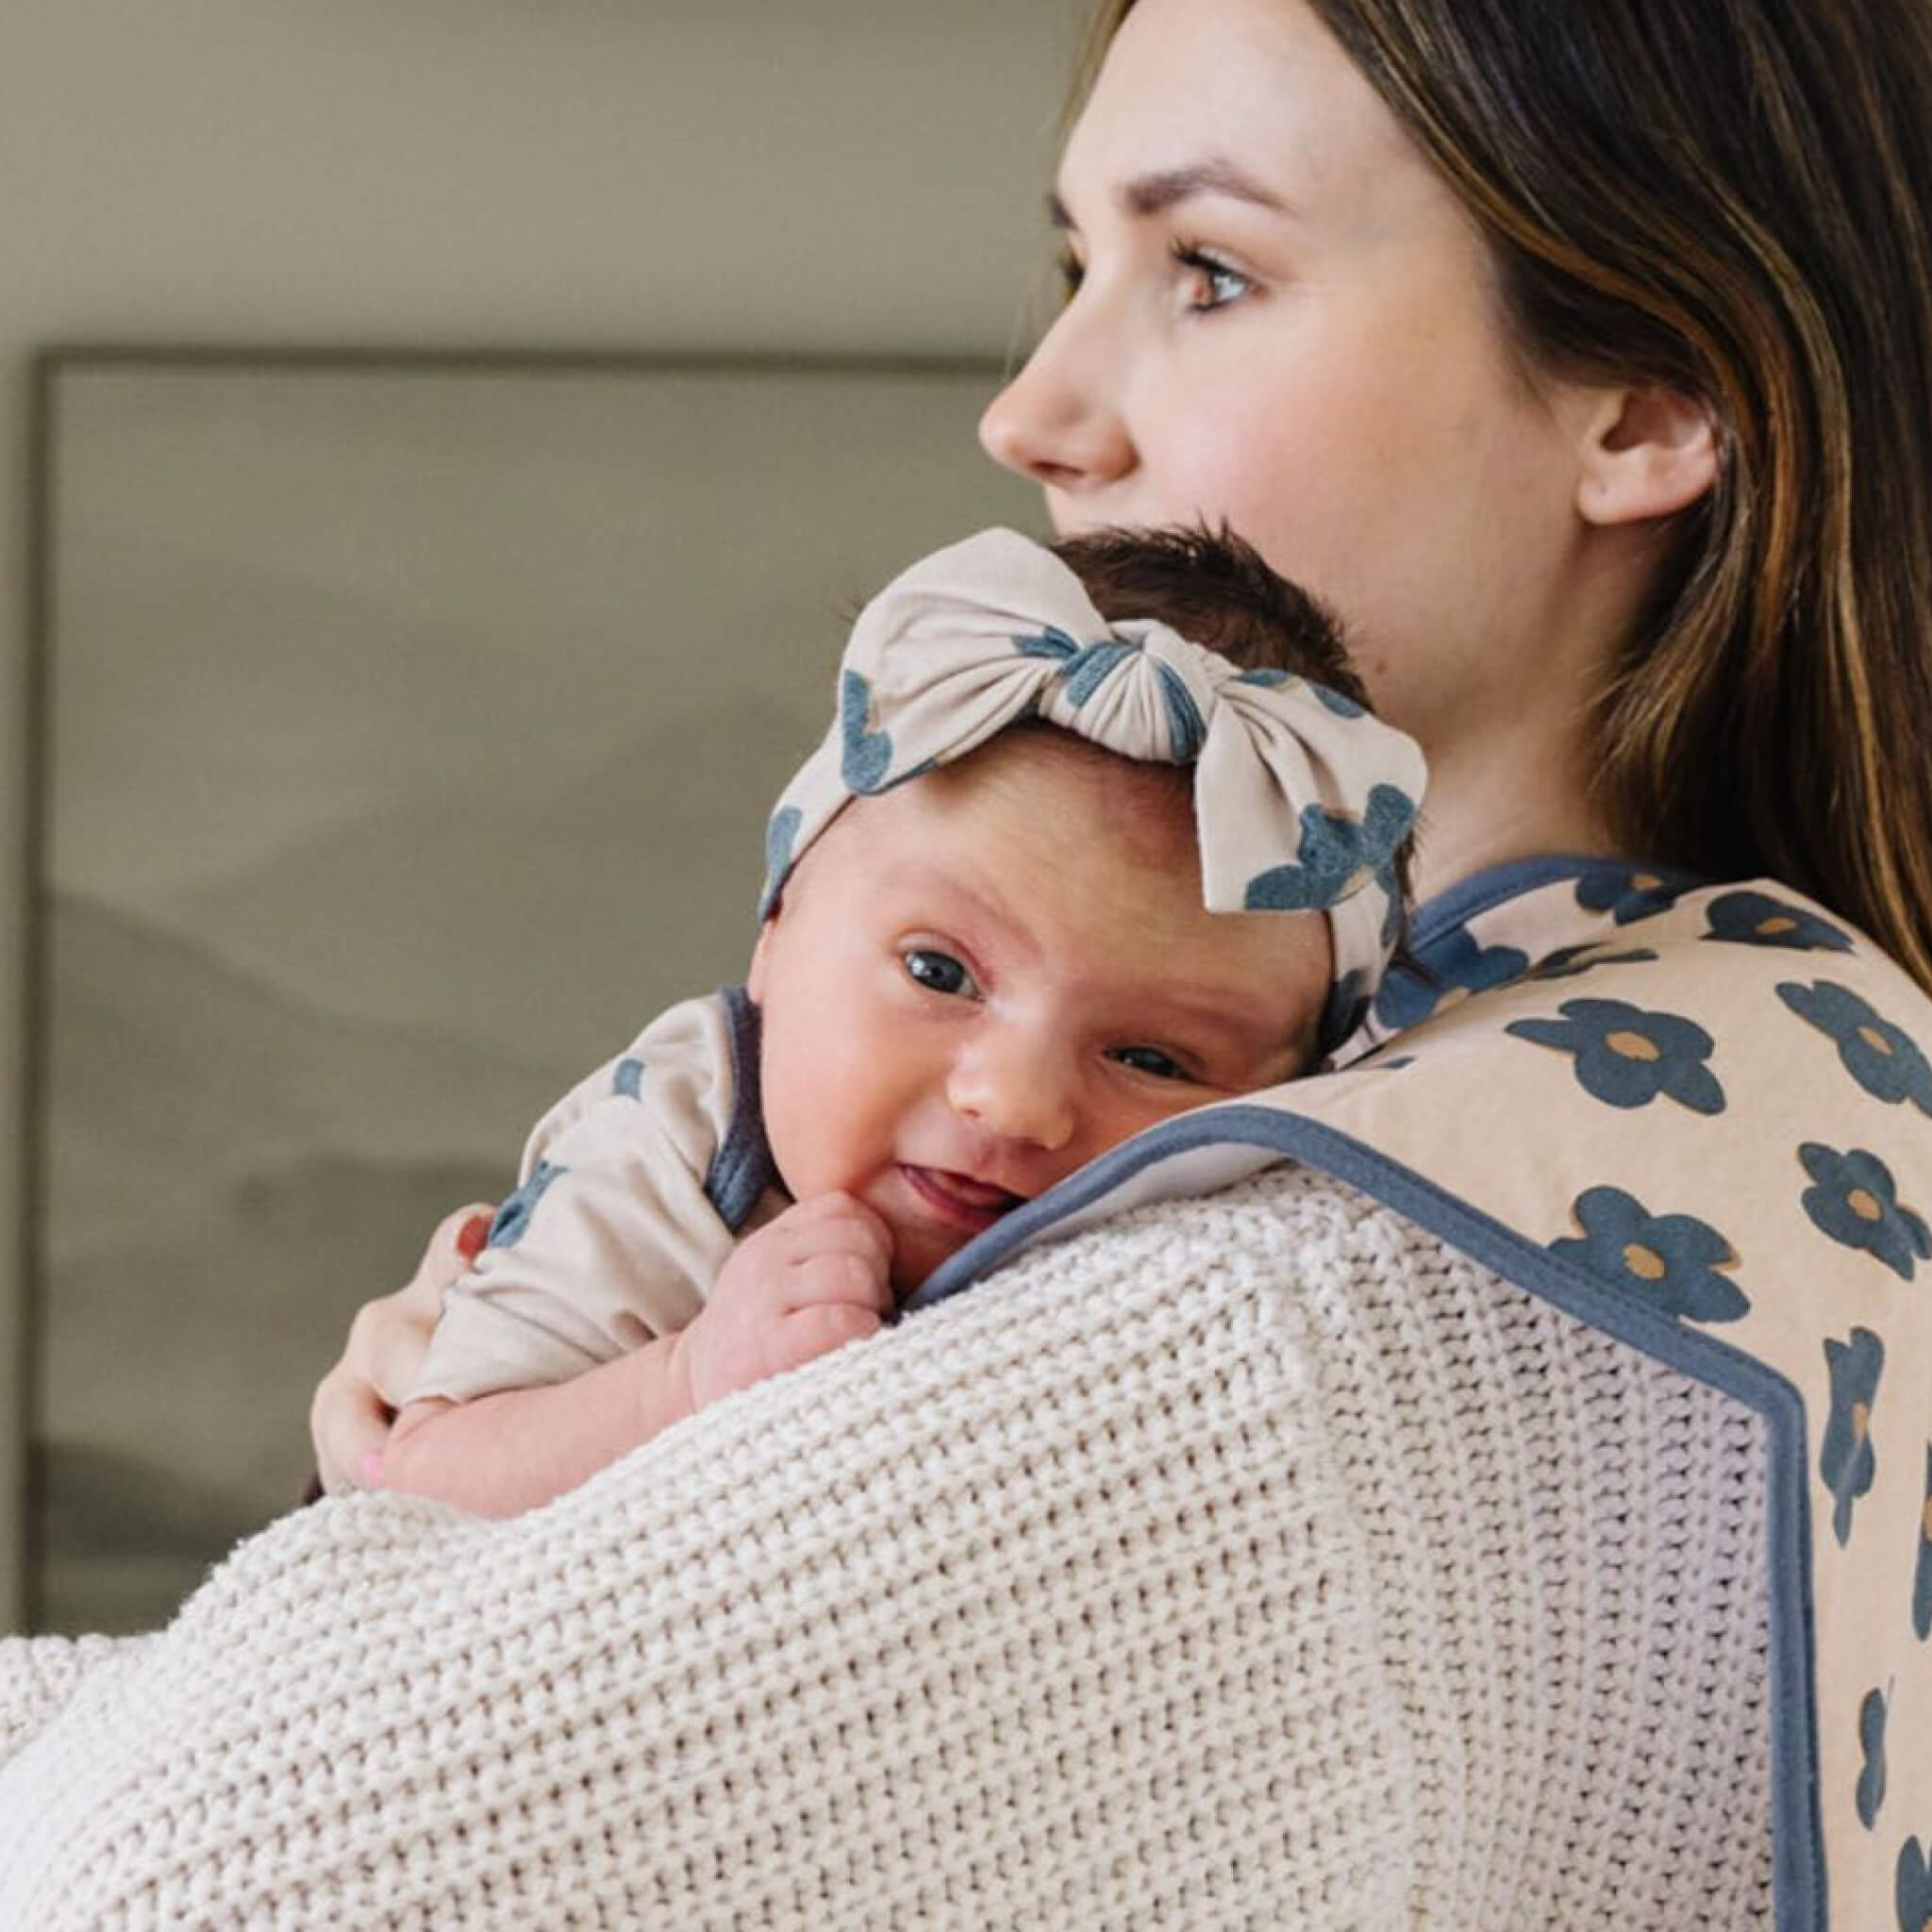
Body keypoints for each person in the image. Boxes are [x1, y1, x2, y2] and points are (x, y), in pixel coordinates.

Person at [5, 0, 1931, 1924]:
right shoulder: (1790, 1091)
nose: (1030, 411)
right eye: (1077, 261)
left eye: (1208, 269)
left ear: (1648, 409)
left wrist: (396, 1556)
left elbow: (190, 1876)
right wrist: (504, 1451)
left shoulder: (1308, 1296)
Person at [375, 523, 1423, 1517]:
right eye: (938, 970)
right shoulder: (671, 1140)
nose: (1014, 1101)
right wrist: (684, 1377)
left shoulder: (1248, 1260)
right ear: (775, 933)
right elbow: (418, 1472)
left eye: (1150, 1056)